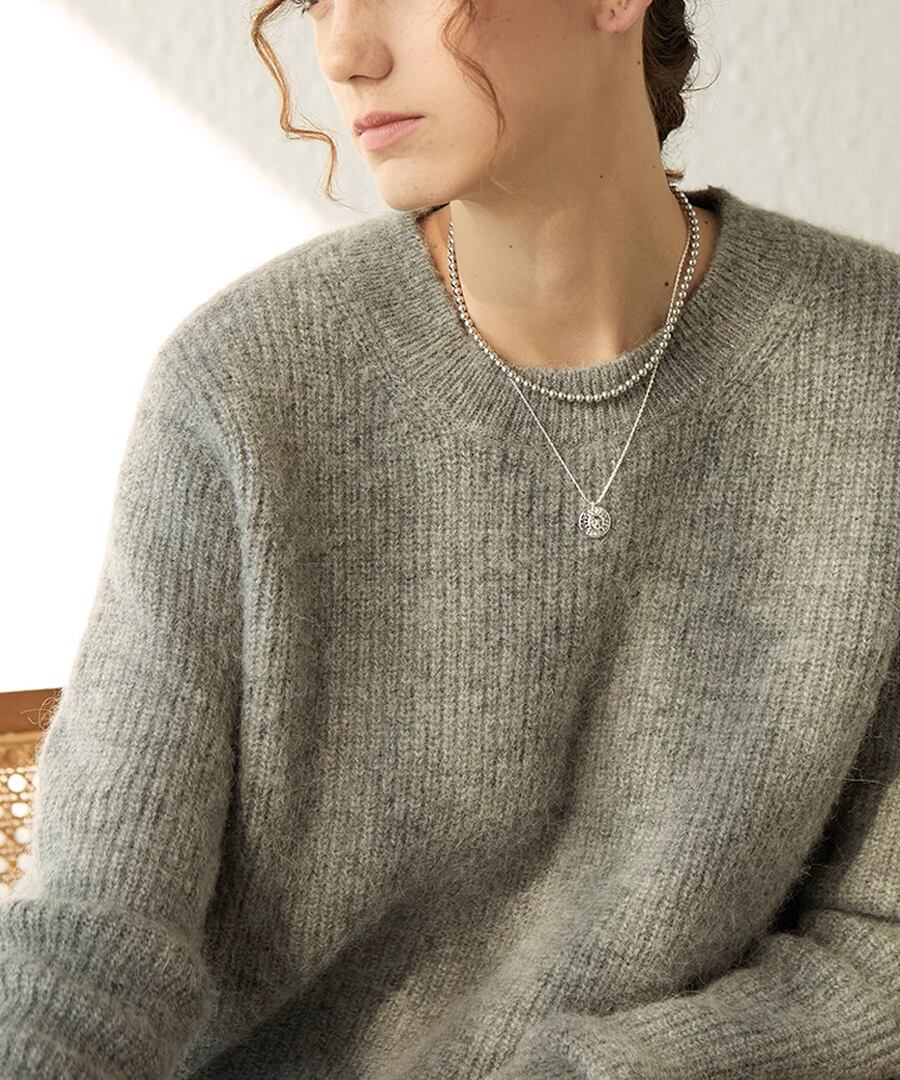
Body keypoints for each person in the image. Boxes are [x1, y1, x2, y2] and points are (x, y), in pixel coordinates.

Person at [2, 0, 899, 1077]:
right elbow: (91, 951)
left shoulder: (874, 372)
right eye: (320, 1)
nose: (345, 53)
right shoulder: (244, 392)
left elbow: (883, 951)